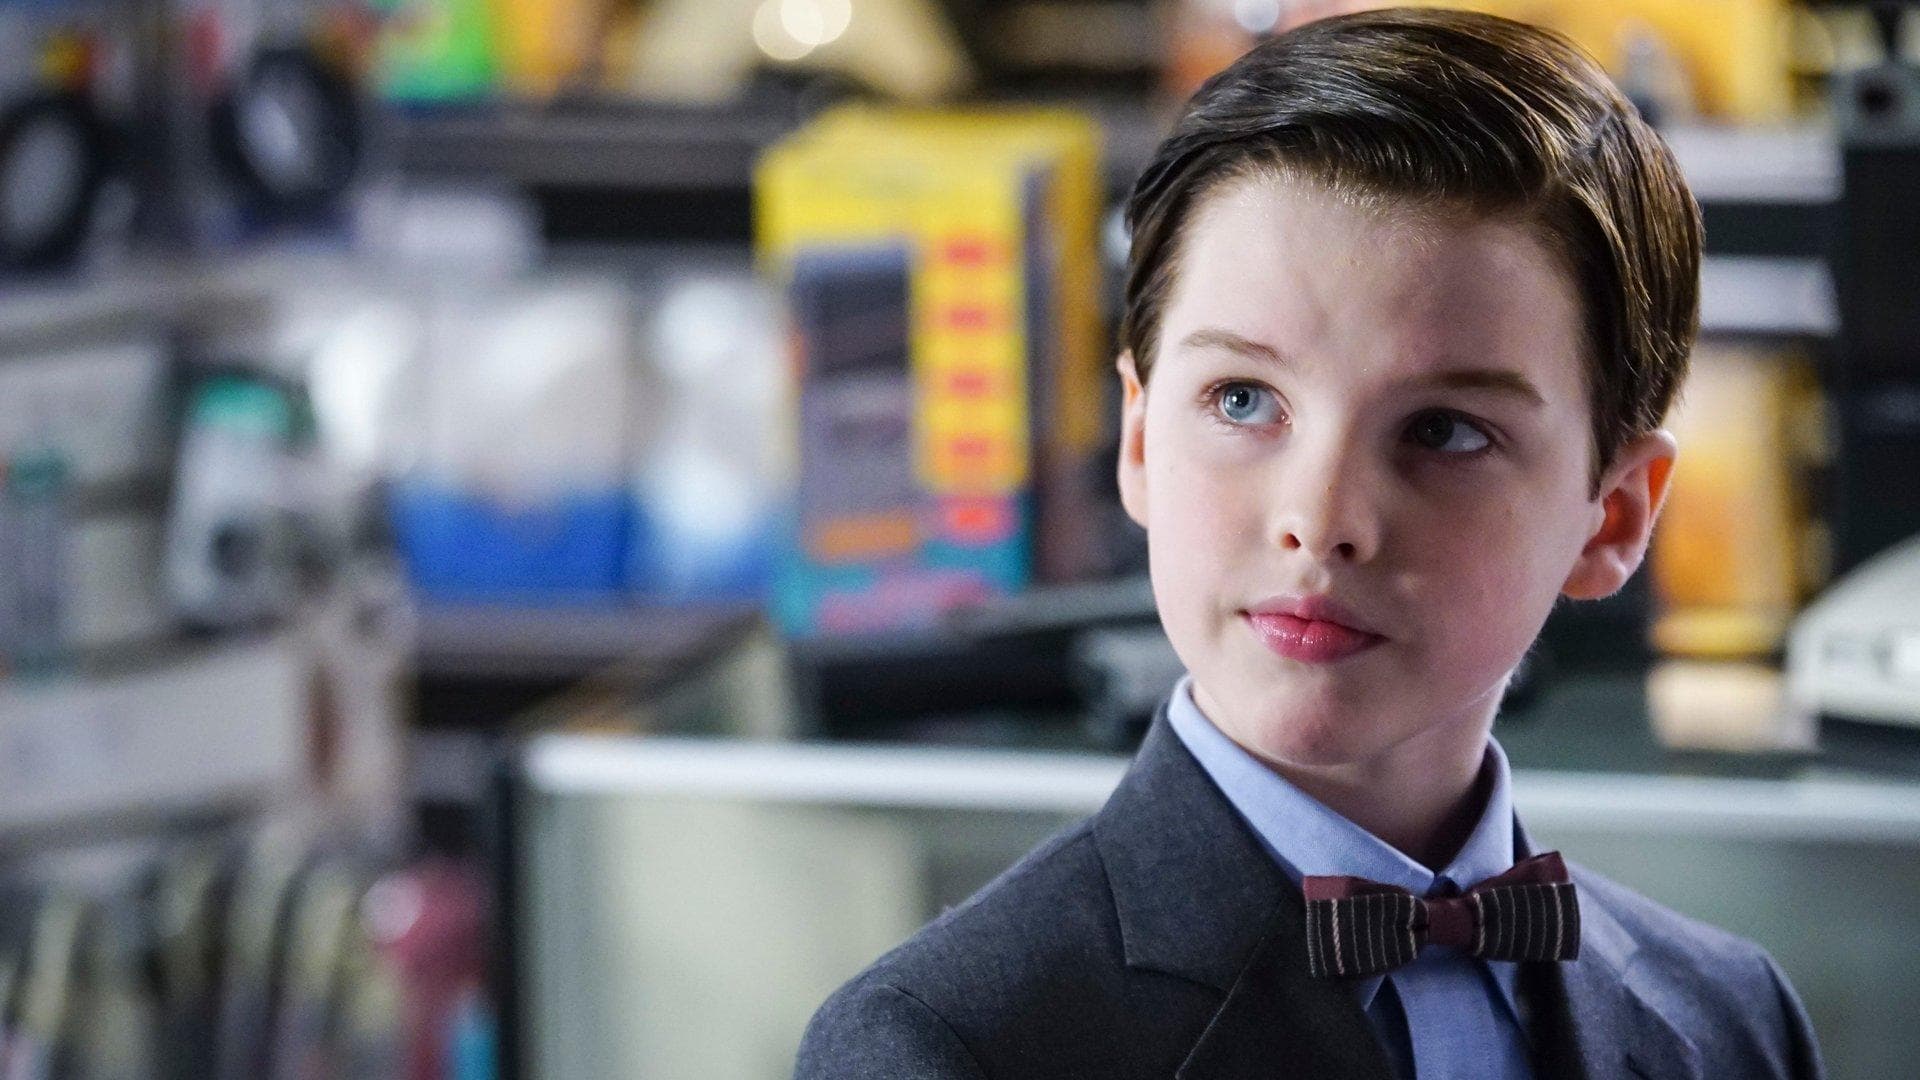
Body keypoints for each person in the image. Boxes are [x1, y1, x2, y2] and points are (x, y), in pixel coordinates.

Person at [794, 8, 1826, 1078]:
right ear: (1141, 440)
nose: (1323, 519)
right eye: (1242, 399)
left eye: (1444, 430)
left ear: (1612, 518)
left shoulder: (1733, 1021)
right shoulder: (947, 1048)